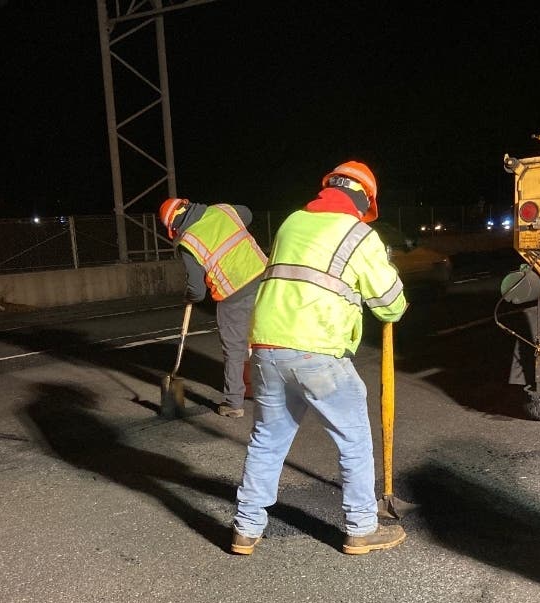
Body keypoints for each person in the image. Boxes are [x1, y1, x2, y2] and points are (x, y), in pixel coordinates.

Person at [230, 161, 408, 556]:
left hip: (266, 347)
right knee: (354, 439)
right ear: (365, 200)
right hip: (317, 351)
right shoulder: (360, 234)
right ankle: (362, 528)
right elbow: (391, 306)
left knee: (267, 440)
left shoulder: (292, 222)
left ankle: (246, 528)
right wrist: (388, 267)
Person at [158, 198, 267, 417]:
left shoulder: (188, 242)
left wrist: (188, 296)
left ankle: (233, 403)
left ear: (173, 227)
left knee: (235, 348)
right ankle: (276, 391)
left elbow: (197, 291)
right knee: (268, 338)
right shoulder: (223, 211)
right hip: (266, 281)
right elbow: (247, 213)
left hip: (233, 294)